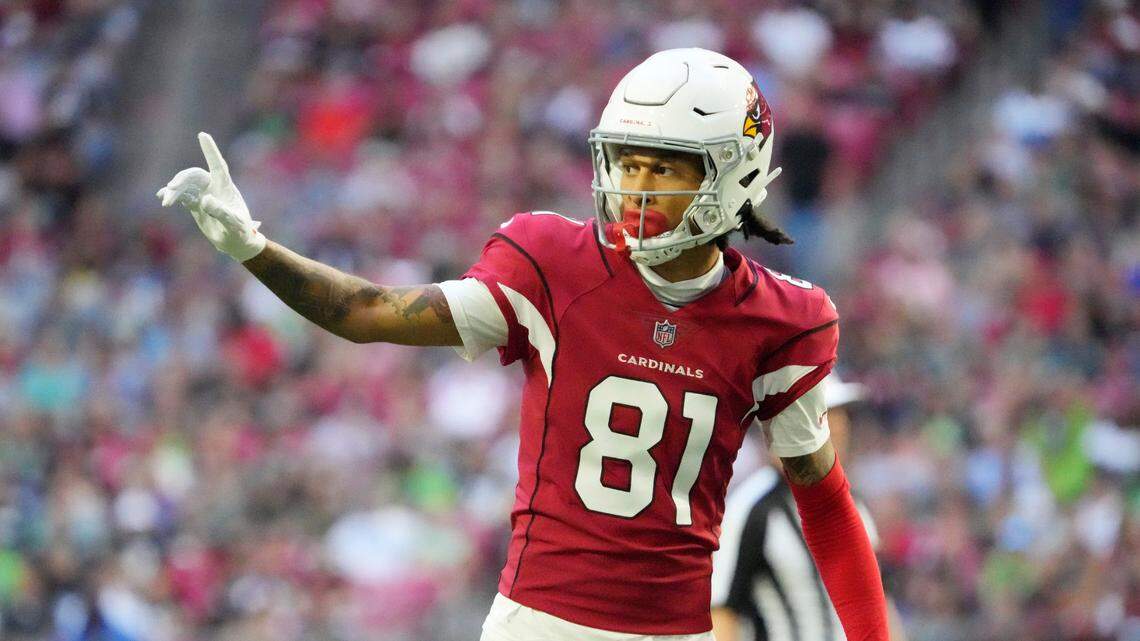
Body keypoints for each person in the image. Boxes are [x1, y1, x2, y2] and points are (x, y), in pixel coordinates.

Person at [157, 48, 888, 641]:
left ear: (736, 171)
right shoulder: (553, 262)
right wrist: (253, 247)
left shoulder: (785, 318)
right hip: (539, 623)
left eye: (663, 166)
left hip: (675, 632)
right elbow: (369, 310)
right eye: (626, 161)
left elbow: (823, 502)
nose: (635, 187)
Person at [711, 374, 908, 641]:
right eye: (825, 416)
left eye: (839, 417)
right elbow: (722, 611)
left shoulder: (853, 505)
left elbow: (879, 602)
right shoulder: (751, 508)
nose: (839, 429)